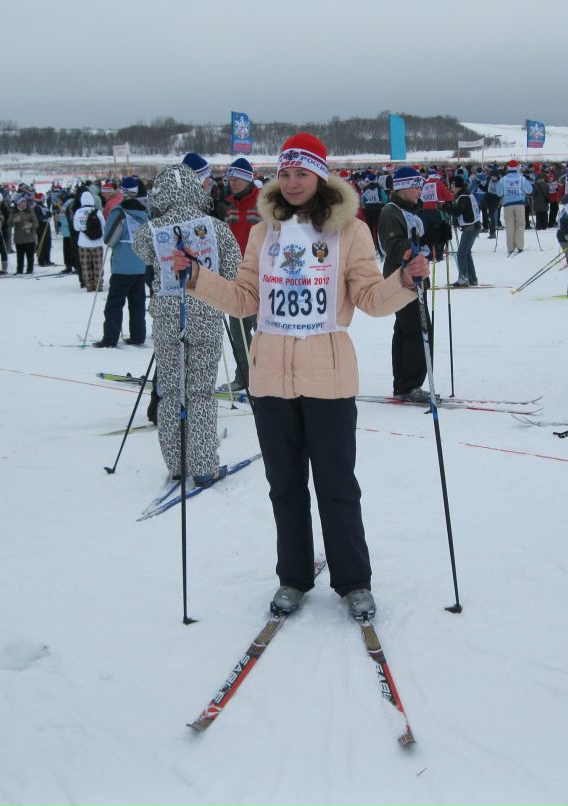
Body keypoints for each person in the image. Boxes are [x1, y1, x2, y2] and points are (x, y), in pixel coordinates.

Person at [168, 132, 429, 622]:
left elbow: (371, 299)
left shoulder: (349, 231)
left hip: (329, 378)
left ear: (320, 176)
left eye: (301, 173)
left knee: (336, 485)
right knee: (284, 486)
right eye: (284, 173)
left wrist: (406, 280)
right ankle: (293, 575)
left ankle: (353, 580)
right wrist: (197, 278)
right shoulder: (263, 233)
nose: (291, 182)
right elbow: (246, 298)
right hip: (269, 379)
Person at [131, 163, 241, 485]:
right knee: (201, 393)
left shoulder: (152, 229)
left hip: (167, 317)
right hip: (205, 313)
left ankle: (177, 462)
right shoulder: (216, 227)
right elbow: (234, 269)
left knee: (172, 392)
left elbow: (141, 251)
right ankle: (204, 465)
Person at [378, 166, 430, 402]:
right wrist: (419, 241)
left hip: (415, 277)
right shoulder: (391, 211)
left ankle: (404, 384)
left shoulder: (409, 210)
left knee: (407, 329)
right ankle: (409, 384)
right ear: (402, 187)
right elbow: (394, 248)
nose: (420, 191)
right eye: (415, 186)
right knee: (417, 330)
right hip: (402, 279)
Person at [222, 158, 261, 391]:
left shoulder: (262, 202)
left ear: (247, 179)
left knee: (264, 332)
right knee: (238, 333)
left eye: (236, 179)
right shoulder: (229, 204)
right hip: (235, 277)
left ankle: (268, 375)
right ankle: (243, 377)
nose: (232, 183)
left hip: (260, 278)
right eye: (230, 179)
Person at [95, 177, 149, 348]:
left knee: (114, 304)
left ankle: (110, 339)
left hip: (122, 265)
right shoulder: (145, 211)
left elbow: (109, 238)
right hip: (140, 264)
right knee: (137, 303)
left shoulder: (119, 211)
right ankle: (138, 336)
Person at [444, 175, 480, 286]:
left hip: (471, 227)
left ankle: (464, 278)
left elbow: (458, 211)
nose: (451, 188)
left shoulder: (463, 196)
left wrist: (445, 207)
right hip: (473, 226)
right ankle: (472, 278)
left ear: (456, 185)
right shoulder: (465, 194)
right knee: (466, 253)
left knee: (461, 254)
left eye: (452, 185)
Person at [499, 160, 534, 255]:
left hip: (507, 205)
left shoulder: (503, 179)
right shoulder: (521, 178)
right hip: (519, 204)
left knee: (509, 225)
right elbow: (529, 190)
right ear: (517, 168)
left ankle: (510, 247)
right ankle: (519, 245)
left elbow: (499, 192)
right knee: (520, 224)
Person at [72, 190, 105, 292]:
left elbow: (76, 228)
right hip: (97, 242)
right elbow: (103, 225)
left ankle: (89, 285)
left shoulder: (78, 212)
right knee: (98, 264)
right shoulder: (97, 211)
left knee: (85, 265)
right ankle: (98, 284)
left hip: (83, 243)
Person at [10, 196, 38, 274]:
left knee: (30, 256)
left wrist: (30, 225)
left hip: (30, 237)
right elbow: (8, 223)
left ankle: (30, 269)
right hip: (19, 238)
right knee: (20, 256)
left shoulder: (30, 211)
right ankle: (19, 270)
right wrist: (13, 221)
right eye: (21, 202)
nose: (23, 204)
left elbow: (36, 223)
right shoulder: (14, 212)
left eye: (24, 202)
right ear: (18, 204)